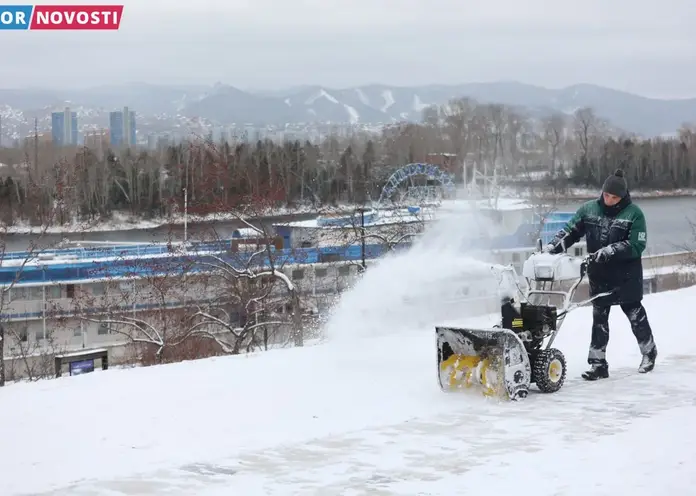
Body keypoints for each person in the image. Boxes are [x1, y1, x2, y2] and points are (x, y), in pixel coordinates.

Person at [545, 169, 657, 380]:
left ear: (622, 197)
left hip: (626, 275)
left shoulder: (634, 214)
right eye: (606, 195)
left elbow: (637, 245)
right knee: (599, 319)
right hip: (599, 274)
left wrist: (610, 251)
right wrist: (552, 247)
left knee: (635, 316)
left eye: (614, 197)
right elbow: (570, 232)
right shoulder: (588, 210)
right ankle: (598, 364)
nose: (609, 200)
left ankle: (649, 352)